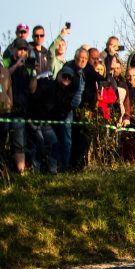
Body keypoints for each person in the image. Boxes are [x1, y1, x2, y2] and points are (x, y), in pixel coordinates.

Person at [27, 67, 75, 173]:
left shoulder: (65, 93)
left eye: (69, 78)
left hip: (46, 122)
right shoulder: (46, 83)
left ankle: (52, 171)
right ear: (59, 75)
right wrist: (35, 76)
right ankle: (35, 171)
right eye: (65, 76)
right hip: (34, 118)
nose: (66, 79)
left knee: (53, 143)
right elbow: (32, 92)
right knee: (39, 143)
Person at [3, 38, 35, 172]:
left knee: (19, 142)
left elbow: (32, 89)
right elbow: (3, 76)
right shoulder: (7, 61)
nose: (22, 52)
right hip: (4, 109)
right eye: (20, 49)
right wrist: (16, 65)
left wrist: (34, 74)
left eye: (25, 49)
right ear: (14, 49)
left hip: (20, 109)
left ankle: (20, 173)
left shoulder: (28, 66)